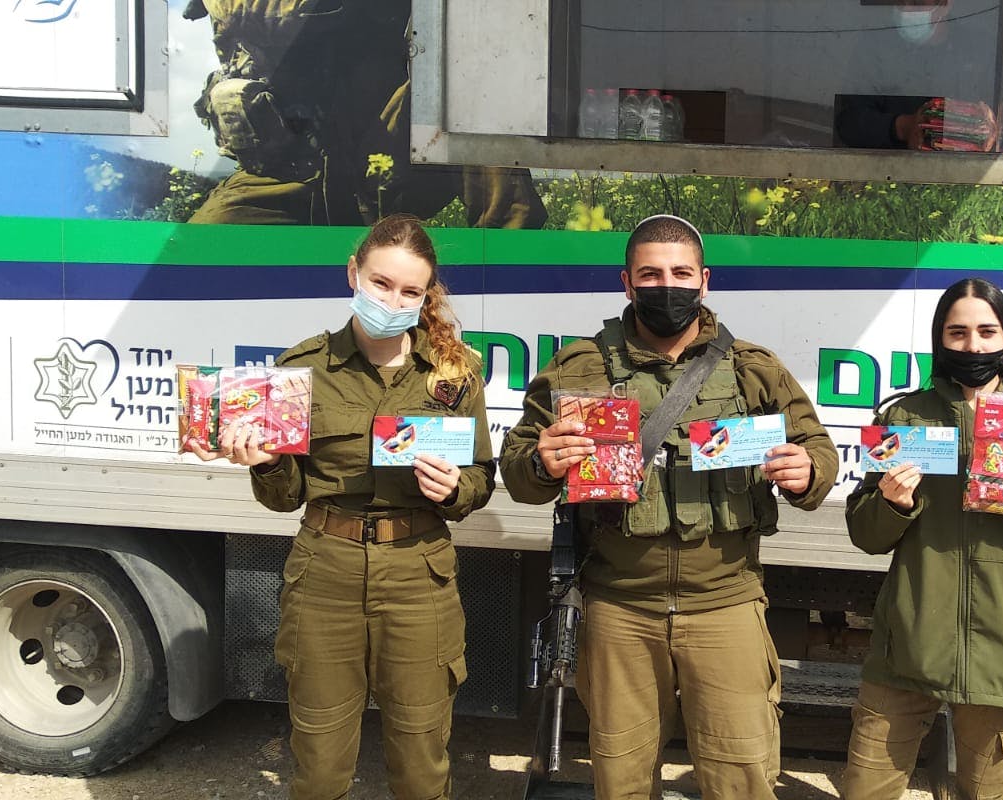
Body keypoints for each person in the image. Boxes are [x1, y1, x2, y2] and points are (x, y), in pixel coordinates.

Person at [499, 215, 838, 799]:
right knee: (621, 777)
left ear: (704, 280)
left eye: (681, 273)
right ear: (626, 282)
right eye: (651, 274)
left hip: (725, 608)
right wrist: (540, 463)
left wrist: (808, 474)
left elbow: (819, 454)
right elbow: (519, 468)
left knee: (743, 778)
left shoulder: (754, 368)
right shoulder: (577, 367)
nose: (668, 285)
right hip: (618, 612)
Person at [189, 213, 496, 799]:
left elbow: (482, 475)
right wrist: (265, 462)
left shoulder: (455, 373)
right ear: (353, 273)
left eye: (411, 291)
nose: (394, 301)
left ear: (425, 295)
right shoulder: (300, 371)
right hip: (324, 571)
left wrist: (455, 489)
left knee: (420, 755)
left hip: (418, 572)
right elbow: (286, 497)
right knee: (321, 759)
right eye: (381, 284)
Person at [839, 277, 1003, 799]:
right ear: (940, 340)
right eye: (957, 332)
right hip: (906, 645)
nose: (973, 345)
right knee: (865, 790)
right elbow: (865, 535)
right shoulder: (904, 418)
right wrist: (892, 503)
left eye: (986, 331)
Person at [183, 0, 546, 228]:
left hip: (386, 149)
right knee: (197, 254)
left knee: (467, 80)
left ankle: (505, 262)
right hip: (290, 167)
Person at [835, 1, 1003, 152]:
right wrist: (903, 127)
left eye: (917, 3)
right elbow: (848, 121)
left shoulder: (981, 50)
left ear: (945, 5)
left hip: (967, 184)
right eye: (900, 3)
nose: (907, 10)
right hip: (891, 180)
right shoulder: (873, 48)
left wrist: (996, 128)